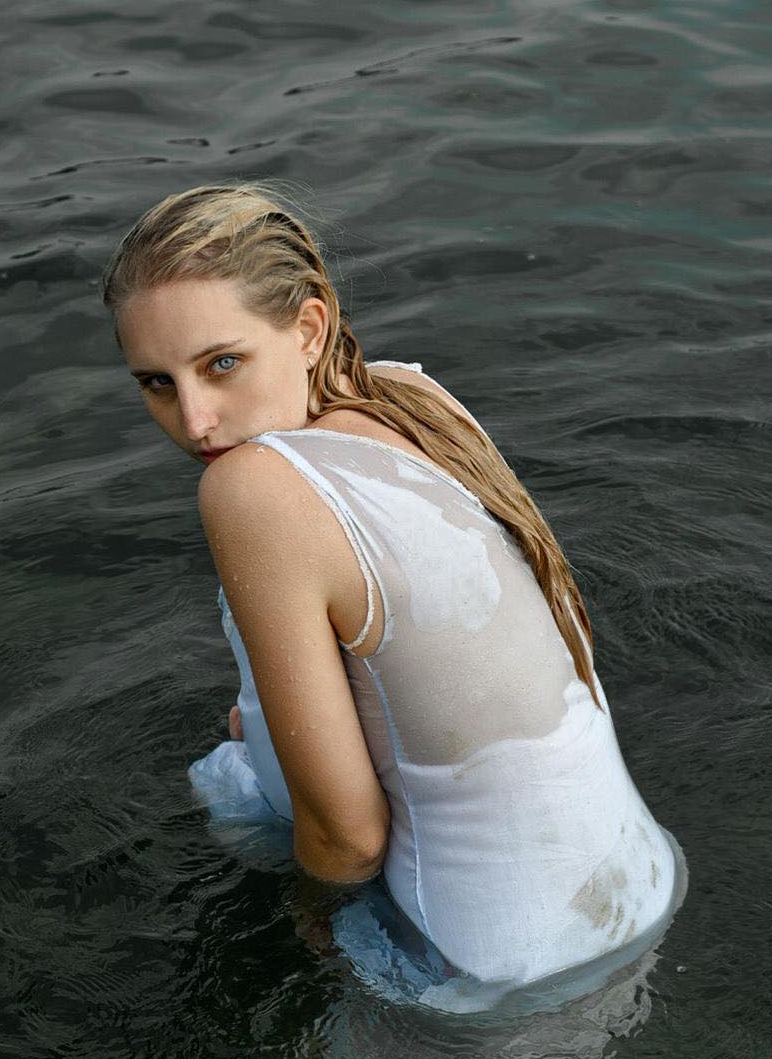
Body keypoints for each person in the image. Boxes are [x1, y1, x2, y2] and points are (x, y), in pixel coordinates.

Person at [103, 182, 686, 1015]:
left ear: (308, 329)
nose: (195, 421)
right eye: (157, 383)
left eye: (221, 364)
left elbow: (349, 840)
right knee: (233, 771)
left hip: (488, 979)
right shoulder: (414, 398)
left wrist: (306, 927)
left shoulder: (250, 488)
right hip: (643, 886)